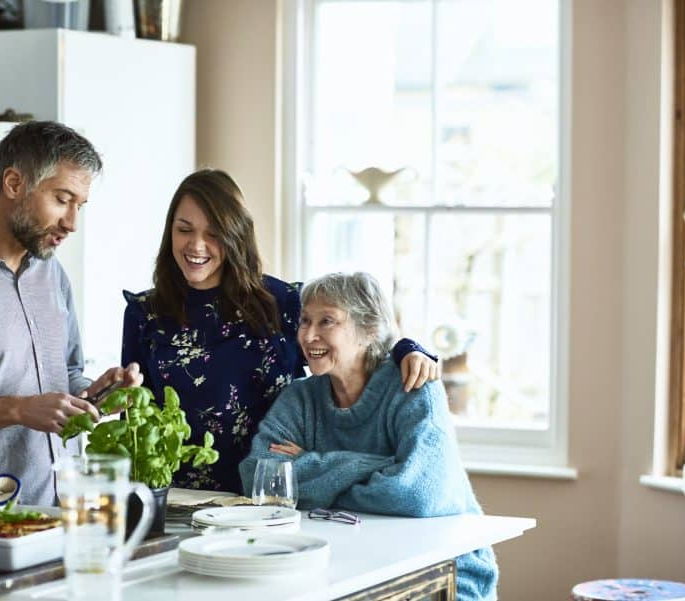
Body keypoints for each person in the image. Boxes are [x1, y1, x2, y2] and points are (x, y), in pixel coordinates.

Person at [122, 169, 439, 493]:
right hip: (174, 496)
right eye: (184, 230)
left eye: (214, 233)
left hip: (270, 494)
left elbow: (355, 335)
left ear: (236, 235)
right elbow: (133, 419)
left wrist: (409, 349)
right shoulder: (145, 313)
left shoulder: (282, 302)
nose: (197, 245)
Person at [0, 121, 142, 507]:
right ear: (13, 184)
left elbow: (67, 375)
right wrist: (18, 409)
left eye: (79, 206)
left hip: (66, 513)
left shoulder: (52, 273)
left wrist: (98, 395)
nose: (72, 223)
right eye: (62, 199)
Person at [239, 272, 498, 601]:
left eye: (327, 321)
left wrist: (307, 468)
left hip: (443, 571)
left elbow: (417, 493)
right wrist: (381, 466)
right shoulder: (300, 397)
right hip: (349, 565)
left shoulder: (414, 387)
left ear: (370, 329)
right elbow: (259, 478)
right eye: (305, 321)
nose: (308, 335)